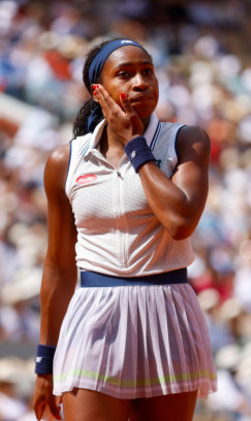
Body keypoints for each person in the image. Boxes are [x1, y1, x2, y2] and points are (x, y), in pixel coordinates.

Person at [32, 37, 216, 421]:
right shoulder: (64, 161)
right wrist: (44, 363)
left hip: (167, 310)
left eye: (148, 71)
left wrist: (136, 145)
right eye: (126, 74)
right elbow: (59, 267)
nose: (141, 82)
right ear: (98, 92)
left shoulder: (185, 140)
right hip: (95, 313)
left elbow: (180, 221)